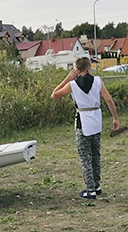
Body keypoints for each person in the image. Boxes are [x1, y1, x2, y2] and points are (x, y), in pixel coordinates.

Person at [51, 57, 120, 199]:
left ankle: (90, 190)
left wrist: (66, 79)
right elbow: (108, 99)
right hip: (96, 119)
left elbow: (54, 95)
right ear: (89, 68)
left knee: (85, 157)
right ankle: (97, 185)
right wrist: (115, 117)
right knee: (95, 154)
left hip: (82, 121)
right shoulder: (98, 81)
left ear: (77, 70)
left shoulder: (72, 84)